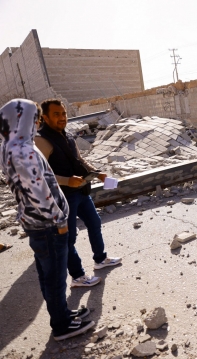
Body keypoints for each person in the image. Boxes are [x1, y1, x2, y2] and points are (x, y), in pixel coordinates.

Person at [0, 99, 94, 340]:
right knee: (54, 277)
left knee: (47, 273)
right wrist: (60, 221)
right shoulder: (23, 151)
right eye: (34, 118)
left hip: (37, 223)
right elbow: (39, 192)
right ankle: (62, 325)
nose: (37, 122)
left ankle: (62, 314)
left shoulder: (11, 145)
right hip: (48, 224)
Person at [35, 99, 121, 289]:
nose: (62, 118)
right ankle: (78, 277)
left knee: (94, 223)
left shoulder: (67, 136)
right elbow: (39, 174)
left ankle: (100, 258)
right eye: (56, 114)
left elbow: (79, 160)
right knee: (68, 238)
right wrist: (67, 181)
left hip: (81, 191)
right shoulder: (40, 141)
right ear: (44, 118)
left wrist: (97, 174)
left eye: (63, 113)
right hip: (62, 197)